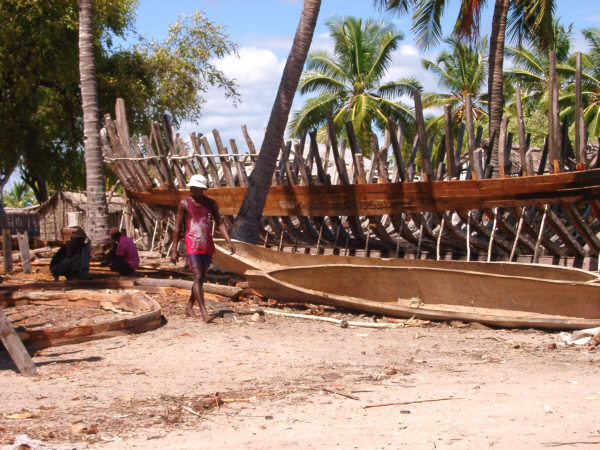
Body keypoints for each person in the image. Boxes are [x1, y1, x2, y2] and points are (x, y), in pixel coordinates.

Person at [171, 174, 235, 321]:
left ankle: (189, 306)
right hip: (192, 245)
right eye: (192, 187)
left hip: (206, 245)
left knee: (200, 279)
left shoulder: (210, 204)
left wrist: (229, 240)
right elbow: (177, 228)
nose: (193, 190)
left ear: (203, 190)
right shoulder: (184, 203)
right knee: (198, 276)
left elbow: (219, 222)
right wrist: (174, 249)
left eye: (196, 188)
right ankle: (204, 312)